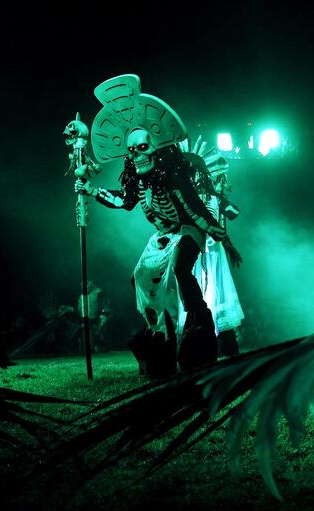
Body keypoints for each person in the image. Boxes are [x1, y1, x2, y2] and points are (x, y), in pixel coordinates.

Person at [74, 74, 242, 377]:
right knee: (140, 276)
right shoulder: (138, 182)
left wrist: (223, 239)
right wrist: (92, 191)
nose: (137, 156)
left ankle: (200, 325)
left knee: (179, 270)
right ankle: (159, 333)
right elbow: (122, 202)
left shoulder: (174, 177)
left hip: (189, 230)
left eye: (142, 148)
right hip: (164, 235)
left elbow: (196, 209)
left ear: (156, 147)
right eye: (131, 151)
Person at [178, 137, 246, 356]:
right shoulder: (185, 197)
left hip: (213, 251)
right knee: (196, 289)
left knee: (215, 292)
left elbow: (233, 213)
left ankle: (220, 341)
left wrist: (220, 193)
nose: (191, 175)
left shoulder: (213, 198)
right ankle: (198, 337)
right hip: (194, 249)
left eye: (193, 171)